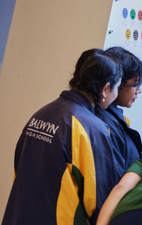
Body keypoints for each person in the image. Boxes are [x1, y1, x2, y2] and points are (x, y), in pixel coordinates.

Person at [1, 49, 123, 225]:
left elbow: (18, 166)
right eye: (117, 87)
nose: (116, 94)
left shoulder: (41, 114)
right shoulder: (91, 129)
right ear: (105, 89)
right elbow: (98, 201)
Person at [95, 46, 142, 179]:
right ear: (118, 82)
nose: (138, 91)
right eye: (135, 84)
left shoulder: (110, 115)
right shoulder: (103, 121)